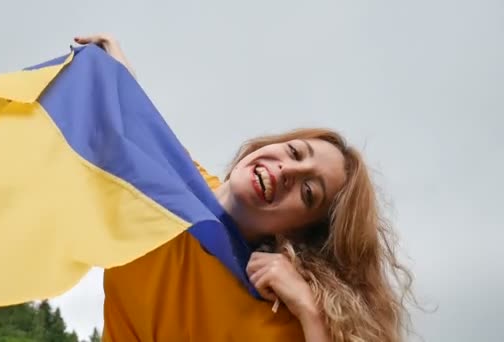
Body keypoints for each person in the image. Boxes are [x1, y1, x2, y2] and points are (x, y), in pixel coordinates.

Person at [74, 34, 415, 342]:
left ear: (302, 233)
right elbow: (134, 118)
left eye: (309, 192)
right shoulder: (166, 181)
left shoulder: (276, 311)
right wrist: (111, 68)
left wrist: (311, 315)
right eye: (295, 152)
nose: (288, 171)